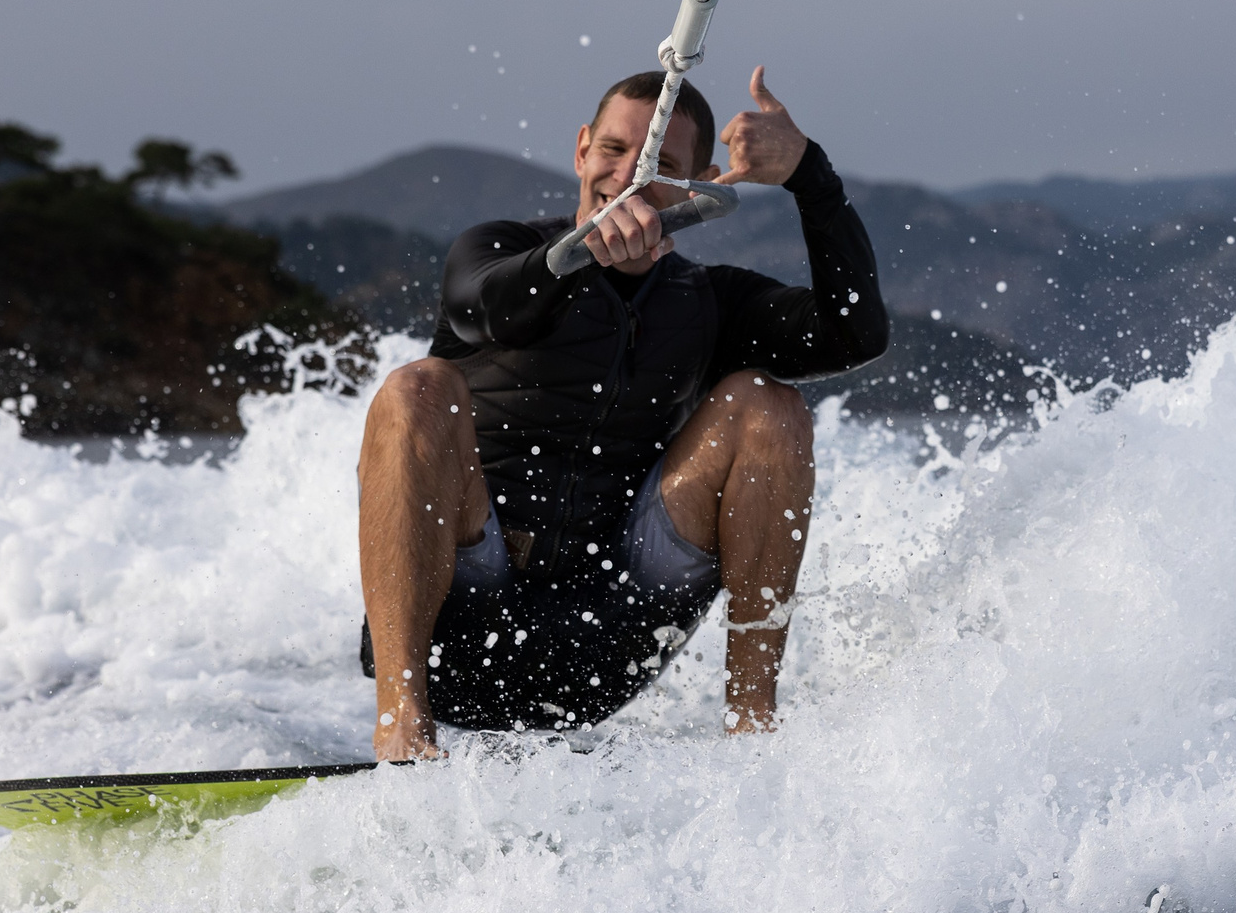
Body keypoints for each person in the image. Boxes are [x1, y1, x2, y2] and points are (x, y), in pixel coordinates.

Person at [356, 65, 888, 758]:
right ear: (582, 150)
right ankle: (402, 726)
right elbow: (481, 305)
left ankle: (754, 739)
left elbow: (855, 333)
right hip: (459, 623)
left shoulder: (710, 303)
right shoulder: (496, 252)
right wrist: (572, 257)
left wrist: (809, 175)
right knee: (415, 388)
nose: (629, 177)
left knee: (771, 406)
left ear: (700, 186)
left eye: (660, 163)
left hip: (607, 637)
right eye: (614, 151)